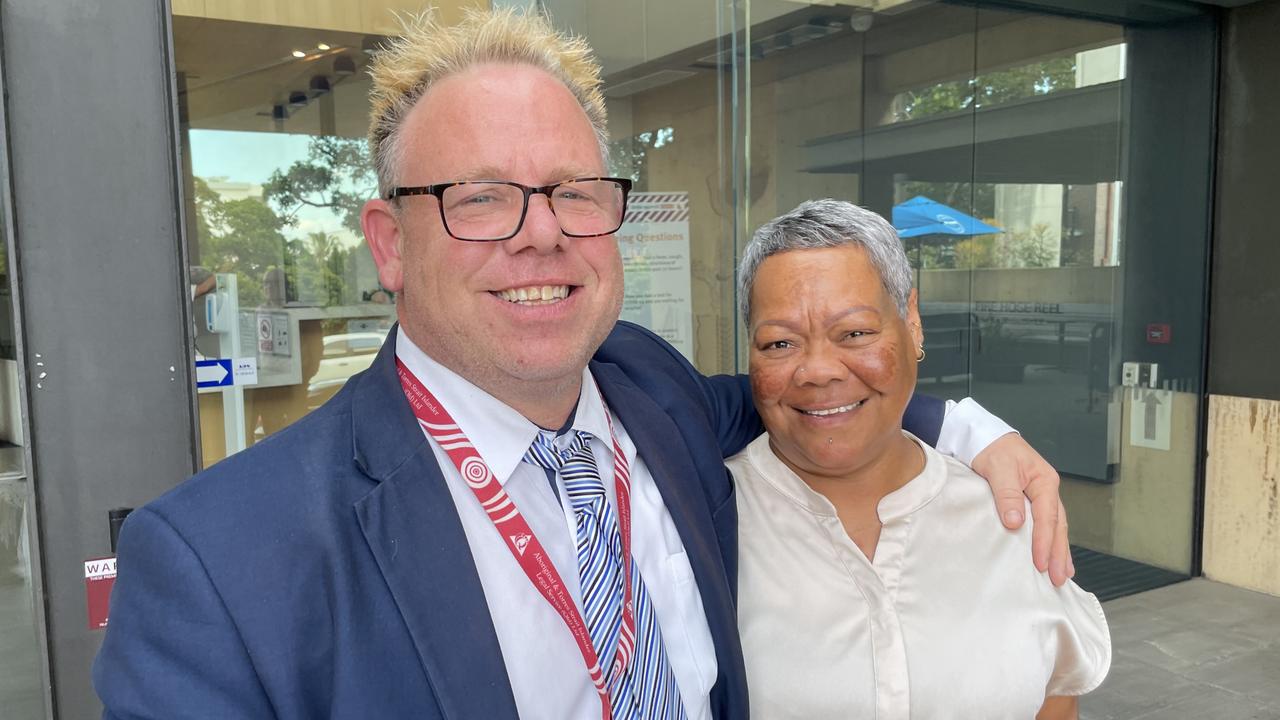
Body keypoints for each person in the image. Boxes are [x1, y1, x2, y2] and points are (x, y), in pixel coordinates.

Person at [93, 10, 1072, 719]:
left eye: (572, 190)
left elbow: (808, 388)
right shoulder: (222, 567)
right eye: (480, 198)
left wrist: (973, 430)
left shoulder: (659, 394)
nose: (541, 236)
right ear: (389, 243)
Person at [729, 199, 1110, 719]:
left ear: (911, 322)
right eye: (779, 342)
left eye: (856, 333)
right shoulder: (704, 520)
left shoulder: (1008, 516)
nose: (817, 370)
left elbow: (1054, 702)